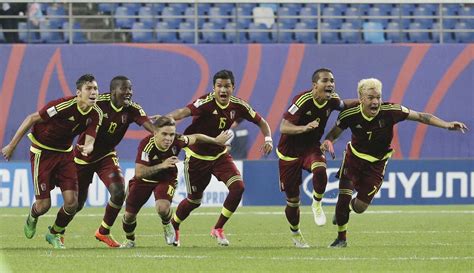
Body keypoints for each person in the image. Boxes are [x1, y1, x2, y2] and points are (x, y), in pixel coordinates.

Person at [321, 78, 468, 248]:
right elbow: (333, 134)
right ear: (361, 98)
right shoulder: (349, 114)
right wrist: (328, 141)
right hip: (353, 158)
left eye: (378, 97)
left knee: (360, 207)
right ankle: (341, 239)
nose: (375, 102)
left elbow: (421, 116)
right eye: (370, 98)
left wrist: (447, 125)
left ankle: (346, 209)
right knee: (343, 195)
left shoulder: (392, 111)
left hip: (377, 164)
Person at [167, 69, 273, 246]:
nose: (223, 90)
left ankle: (218, 228)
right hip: (196, 157)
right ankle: (174, 224)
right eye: (219, 86)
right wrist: (166, 119)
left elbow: (261, 122)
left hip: (219, 155)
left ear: (233, 88)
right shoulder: (205, 103)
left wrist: (268, 138)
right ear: (213, 88)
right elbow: (182, 112)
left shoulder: (238, 105)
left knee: (238, 187)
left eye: (227, 86)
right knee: (194, 201)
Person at [1, 74, 102, 249]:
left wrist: (89, 147)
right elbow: (32, 118)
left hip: (65, 155)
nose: (93, 92)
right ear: (78, 92)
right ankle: (33, 216)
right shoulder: (63, 105)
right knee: (44, 205)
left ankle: (54, 233)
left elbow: (91, 138)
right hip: (43, 153)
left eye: (95, 89)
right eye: (89, 88)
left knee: (72, 203)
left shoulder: (95, 114)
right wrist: (11, 145)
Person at [121, 116, 232, 248]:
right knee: (128, 216)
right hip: (144, 180)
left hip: (166, 178)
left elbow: (196, 137)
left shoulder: (178, 140)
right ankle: (130, 239)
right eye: (164, 134)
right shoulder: (146, 145)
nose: (168, 138)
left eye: (171, 134)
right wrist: (162, 165)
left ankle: (167, 224)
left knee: (162, 208)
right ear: (155, 132)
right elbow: (139, 173)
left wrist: (215, 141)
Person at [277, 68, 356, 248]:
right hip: (289, 153)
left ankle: (317, 203)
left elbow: (344, 105)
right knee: (292, 201)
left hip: (311, 148)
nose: (330, 84)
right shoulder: (302, 100)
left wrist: (365, 101)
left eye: (332, 81)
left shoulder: (333, 100)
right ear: (315, 86)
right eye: (326, 81)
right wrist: (304, 128)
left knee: (320, 169)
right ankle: (296, 234)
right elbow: (283, 127)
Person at [73, 76, 154, 248]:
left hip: (106, 156)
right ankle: (58, 231)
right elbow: (76, 111)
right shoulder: (97, 103)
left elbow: (151, 127)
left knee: (118, 192)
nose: (129, 93)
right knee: (76, 203)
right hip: (83, 156)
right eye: (124, 89)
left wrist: (162, 131)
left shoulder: (132, 109)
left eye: (130, 89)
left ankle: (103, 231)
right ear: (113, 92)